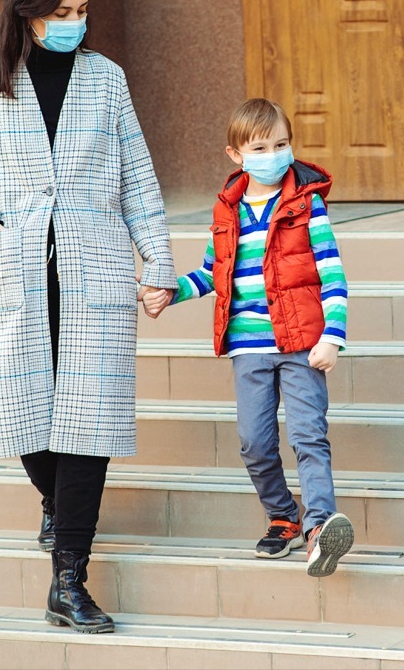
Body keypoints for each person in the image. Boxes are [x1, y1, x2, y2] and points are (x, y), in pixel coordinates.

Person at [0, 0, 176, 633]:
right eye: (62, 12)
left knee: (88, 425)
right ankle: (53, 498)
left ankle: (68, 579)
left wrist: (157, 264)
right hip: (17, 270)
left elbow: (139, 179)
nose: (75, 22)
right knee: (26, 418)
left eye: (83, 10)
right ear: (30, 12)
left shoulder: (106, 79)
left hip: (94, 267)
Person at [143, 98, 353, 577]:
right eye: (261, 147)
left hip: (302, 343)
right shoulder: (226, 210)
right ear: (236, 155)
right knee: (255, 443)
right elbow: (215, 273)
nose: (274, 154)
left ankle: (320, 529)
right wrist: (171, 292)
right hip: (249, 348)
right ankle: (283, 516)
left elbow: (332, 275)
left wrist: (332, 336)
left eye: (282, 144)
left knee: (308, 436)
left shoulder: (307, 205)